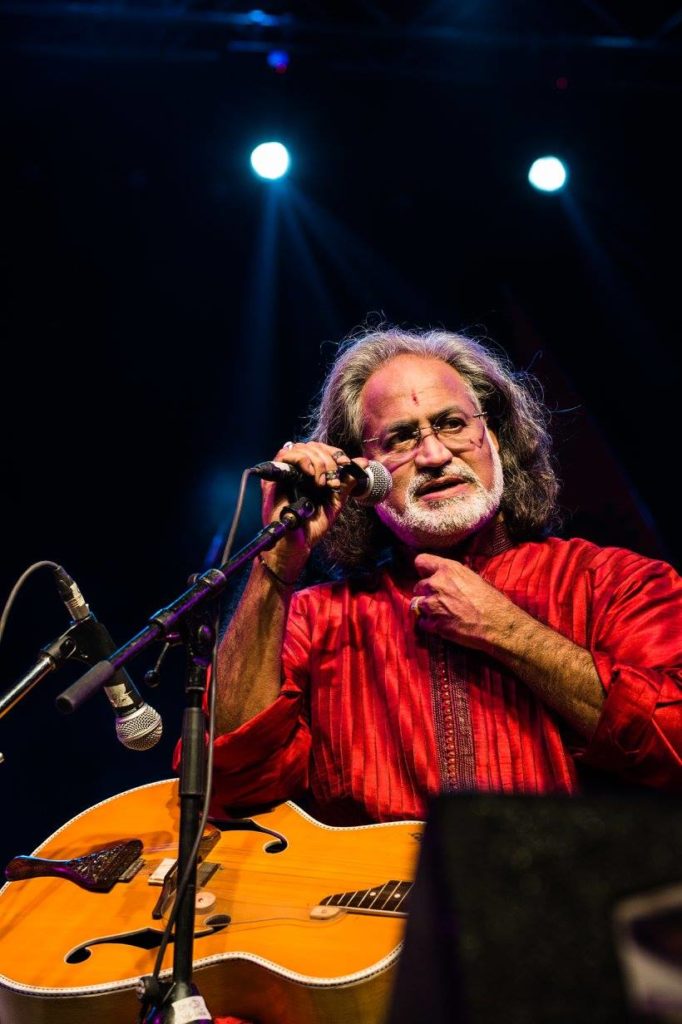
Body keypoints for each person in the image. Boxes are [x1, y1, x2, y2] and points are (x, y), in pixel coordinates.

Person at [209, 325, 682, 827]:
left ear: (494, 438)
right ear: (361, 478)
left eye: (452, 424)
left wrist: (508, 630)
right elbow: (228, 782)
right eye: (400, 438)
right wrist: (277, 562)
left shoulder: (616, 583)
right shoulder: (313, 619)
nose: (434, 456)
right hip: (374, 881)